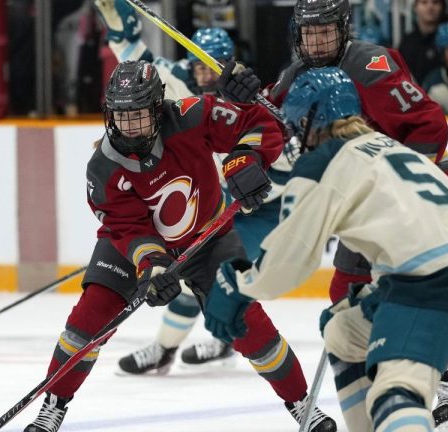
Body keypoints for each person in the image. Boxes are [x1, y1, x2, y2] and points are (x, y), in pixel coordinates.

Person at [217, 1, 448, 430]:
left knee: (389, 291)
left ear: (344, 29)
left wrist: (392, 184)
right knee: (348, 294)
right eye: (310, 33)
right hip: (367, 197)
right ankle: (401, 386)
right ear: (296, 34)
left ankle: (444, 387)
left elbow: (430, 126)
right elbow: (277, 123)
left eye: (327, 31)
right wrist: (240, 99)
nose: (318, 41)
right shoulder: (295, 77)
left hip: (405, 199)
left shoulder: (370, 64)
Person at [23, 60, 337, 432]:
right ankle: (53, 405)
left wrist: (246, 158)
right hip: (132, 248)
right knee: (86, 323)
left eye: (138, 114)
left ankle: (302, 403)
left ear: (158, 107)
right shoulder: (103, 169)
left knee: (247, 323)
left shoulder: (193, 115)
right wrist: (152, 264)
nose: (128, 125)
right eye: (121, 115)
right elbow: (127, 227)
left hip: (209, 238)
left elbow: (258, 122)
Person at [94, 0, 296, 372]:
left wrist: (276, 151)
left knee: (209, 276)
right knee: (184, 273)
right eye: (199, 65)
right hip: (209, 204)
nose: (204, 75)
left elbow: (281, 157)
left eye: (212, 67)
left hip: (256, 209)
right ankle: (169, 347)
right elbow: (133, 56)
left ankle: (212, 341)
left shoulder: (245, 95)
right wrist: (118, 25)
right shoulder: (179, 83)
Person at [398, 0, 448, 84]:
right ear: (415, 7)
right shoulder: (407, 42)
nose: (430, 7)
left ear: (443, 7)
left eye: (435, 2)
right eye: (424, 2)